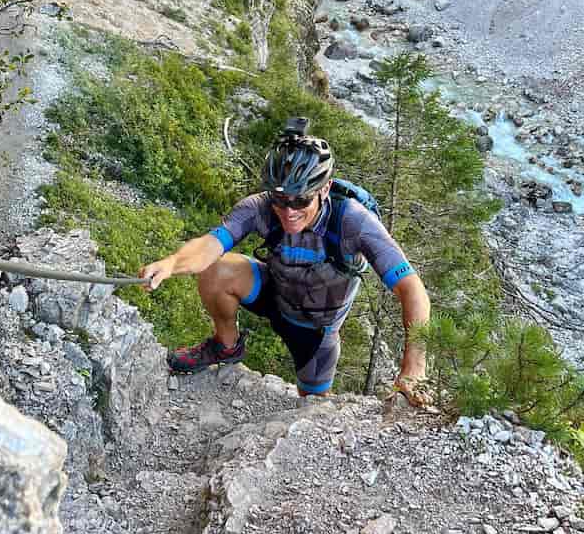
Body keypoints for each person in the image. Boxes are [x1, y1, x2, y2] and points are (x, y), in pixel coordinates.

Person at [139, 118, 431, 402]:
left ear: (324, 188)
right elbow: (211, 245)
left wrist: (413, 369)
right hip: (275, 292)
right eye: (280, 200)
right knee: (216, 270)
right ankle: (225, 346)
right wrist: (171, 264)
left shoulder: (353, 221)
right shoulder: (260, 207)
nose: (289, 211)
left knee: (312, 403)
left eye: (301, 200)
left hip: (316, 329)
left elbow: (411, 288)